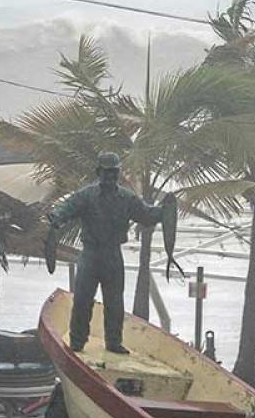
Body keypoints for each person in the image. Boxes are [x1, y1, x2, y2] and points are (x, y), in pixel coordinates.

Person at [48, 152, 172, 354]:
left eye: (114, 172)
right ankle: (77, 342)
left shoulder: (127, 198)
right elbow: (68, 207)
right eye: (107, 172)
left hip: (112, 255)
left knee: (115, 303)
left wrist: (164, 212)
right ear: (99, 172)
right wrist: (57, 217)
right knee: (82, 300)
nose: (110, 177)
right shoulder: (86, 195)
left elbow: (146, 215)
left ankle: (113, 342)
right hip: (90, 254)